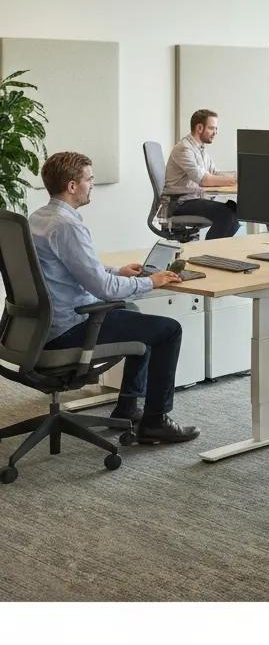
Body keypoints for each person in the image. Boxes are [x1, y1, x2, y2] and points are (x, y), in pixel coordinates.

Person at [29, 151, 200, 444]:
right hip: (70, 329)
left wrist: (118, 270)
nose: (92, 185)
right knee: (168, 330)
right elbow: (104, 289)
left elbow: (76, 266)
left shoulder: (39, 218)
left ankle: (128, 406)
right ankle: (156, 421)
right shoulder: (67, 226)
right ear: (72, 186)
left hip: (39, 328)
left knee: (133, 313)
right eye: (89, 179)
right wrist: (150, 281)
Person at [162, 108, 240, 239]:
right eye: (212, 128)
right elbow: (204, 180)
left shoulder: (200, 149)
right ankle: (208, 250)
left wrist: (239, 175)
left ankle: (212, 249)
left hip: (192, 200)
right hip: (180, 203)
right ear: (199, 128)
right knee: (228, 216)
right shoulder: (184, 148)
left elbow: (214, 173)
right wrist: (237, 180)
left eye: (216, 129)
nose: (215, 132)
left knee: (235, 210)